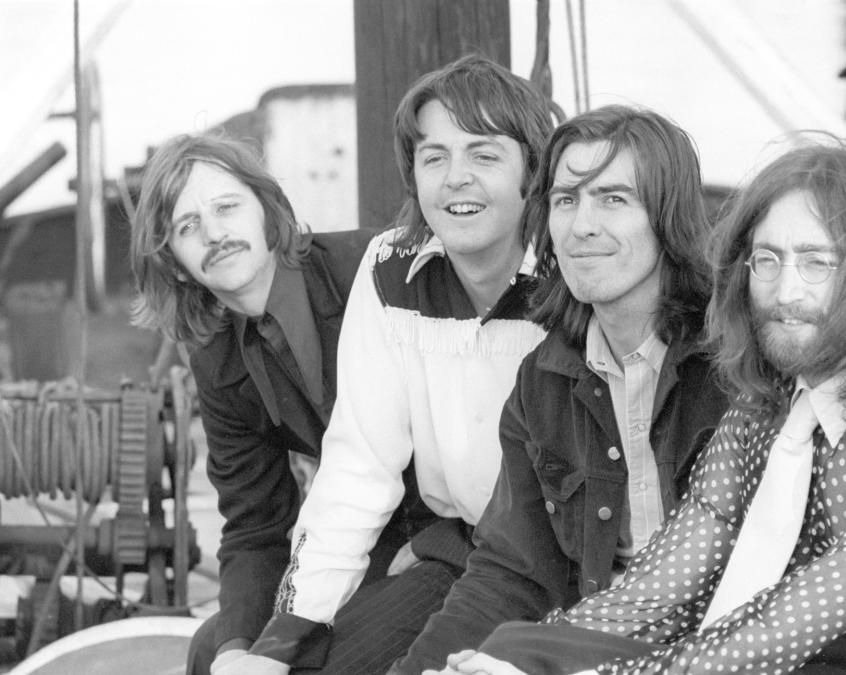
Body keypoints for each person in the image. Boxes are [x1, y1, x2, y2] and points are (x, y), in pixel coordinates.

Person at [433, 135, 846, 675]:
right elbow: (665, 582)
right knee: (518, 646)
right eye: (768, 260)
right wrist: (525, 663)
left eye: (817, 262)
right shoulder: (766, 401)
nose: (786, 293)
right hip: (770, 648)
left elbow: (794, 623)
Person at [215, 54, 555, 675]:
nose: (456, 178)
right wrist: (283, 638)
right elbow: (360, 465)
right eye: (434, 157)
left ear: (532, 173)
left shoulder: (570, 275)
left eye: (484, 155)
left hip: (563, 565)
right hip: (465, 552)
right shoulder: (391, 267)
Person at [393, 105, 730, 674]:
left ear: (667, 216)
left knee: (511, 653)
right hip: (590, 639)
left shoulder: (731, 367)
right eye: (567, 199)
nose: (582, 226)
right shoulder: (543, 379)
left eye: (614, 199)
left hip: (722, 648)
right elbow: (509, 573)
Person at [128, 133, 410, 674]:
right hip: (364, 541)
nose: (214, 234)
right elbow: (256, 524)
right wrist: (235, 650)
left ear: (268, 208)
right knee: (211, 648)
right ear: (176, 264)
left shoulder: (369, 269)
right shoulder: (217, 357)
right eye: (187, 227)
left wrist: (441, 541)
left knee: (324, 660)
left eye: (226, 207)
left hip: (455, 532)